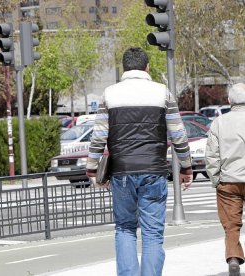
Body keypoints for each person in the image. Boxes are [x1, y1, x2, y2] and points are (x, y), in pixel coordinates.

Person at [86, 47, 193, 276]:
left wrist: (92, 168)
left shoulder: (110, 94)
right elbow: (178, 134)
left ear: (123, 68)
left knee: (125, 229)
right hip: (154, 170)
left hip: (121, 172)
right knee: (153, 233)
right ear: (147, 67)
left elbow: (99, 136)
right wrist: (186, 166)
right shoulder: (162, 92)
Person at [205, 83, 245, 276]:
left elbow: (212, 155)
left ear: (229, 101)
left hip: (229, 180)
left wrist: (216, 180)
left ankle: (234, 257)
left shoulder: (219, 123)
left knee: (231, 224)